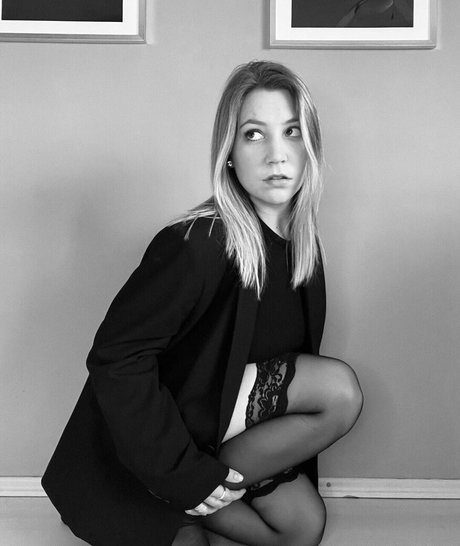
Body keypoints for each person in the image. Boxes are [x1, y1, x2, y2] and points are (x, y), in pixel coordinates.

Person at [42, 60, 363, 546]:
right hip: (162, 439)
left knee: (301, 529)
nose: (277, 154)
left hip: (222, 429)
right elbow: (116, 359)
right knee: (338, 390)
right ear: (229, 152)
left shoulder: (302, 247)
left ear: (310, 146)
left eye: (292, 132)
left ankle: (202, 489)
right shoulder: (198, 244)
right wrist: (181, 473)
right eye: (254, 135)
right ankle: (179, 492)